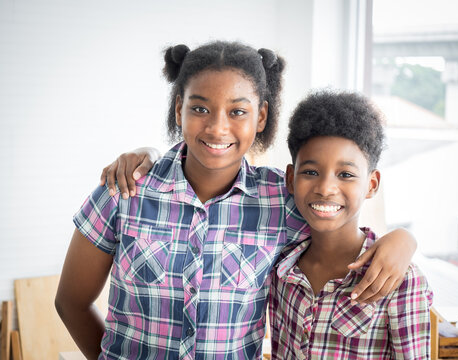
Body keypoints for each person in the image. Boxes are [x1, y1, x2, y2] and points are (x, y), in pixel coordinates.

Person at [55, 41, 417, 360]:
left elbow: (340, 222)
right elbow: (70, 302)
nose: (217, 127)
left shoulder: (283, 200)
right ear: (179, 108)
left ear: (261, 116)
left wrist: (404, 240)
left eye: (237, 111)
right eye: (199, 109)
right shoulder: (124, 191)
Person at [269, 90, 433, 359]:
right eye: (310, 172)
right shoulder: (281, 268)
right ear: (291, 178)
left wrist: (405, 237)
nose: (325, 188)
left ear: (371, 184)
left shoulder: (400, 280)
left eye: (345, 174)